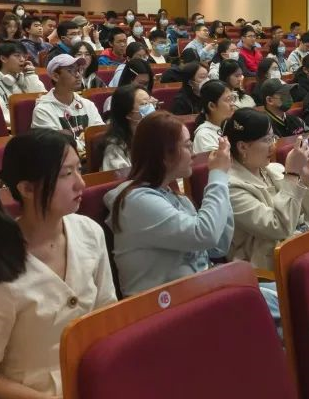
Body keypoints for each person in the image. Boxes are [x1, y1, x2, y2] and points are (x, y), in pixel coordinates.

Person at [0, 129, 114, 397]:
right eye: (66, 174)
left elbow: (107, 318)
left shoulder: (89, 232)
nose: (81, 183)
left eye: (79, 170)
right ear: (26, 189)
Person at [104, 110, 235, 295]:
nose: (193, 154)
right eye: (187, 146)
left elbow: (218, 246)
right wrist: (218, 175)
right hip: (164, 306)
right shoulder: (136, 202)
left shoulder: (175, 195)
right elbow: (205, 235)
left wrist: (222, 179)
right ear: (164, 155)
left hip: (200, 292)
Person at [226, 108, 309, 270]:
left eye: (273, 137)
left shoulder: (275, 169)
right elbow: (279, 228)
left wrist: (307, 179)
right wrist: (292, 175)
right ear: (243, 147)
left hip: (302, 252)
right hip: (268, 268)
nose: (273, 146)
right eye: (266, 140)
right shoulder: (231, 187)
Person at [31, 54, 104, 157]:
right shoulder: (43, 110)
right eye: (71, 71)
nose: (78, 75)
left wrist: (86, 140)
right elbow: (56, 147)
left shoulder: (88, 104)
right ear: (56, 76)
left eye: (79, 70)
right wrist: (85, 141)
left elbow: (99, 136)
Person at [0, 42, 45, 124]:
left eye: (24, 56)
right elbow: (4, 117)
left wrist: (30, 74)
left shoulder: (26, 76)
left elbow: (43, 100)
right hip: (19, 126)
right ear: (3, 59)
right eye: (17, 56)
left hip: (37, 122)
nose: (22, 60)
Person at [100, 84, 153, 171]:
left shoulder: (157, 135)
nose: (151, 108)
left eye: (151, 103)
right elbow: (121, 178)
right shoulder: (114, 149)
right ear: (128, 113)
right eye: (144, 104)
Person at [192, 80, 235, 155]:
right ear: (212, 106)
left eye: (232, 99)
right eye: (228, 99)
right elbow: (220, 161)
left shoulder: (232, 125)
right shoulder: (204, 136)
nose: (232, 104)